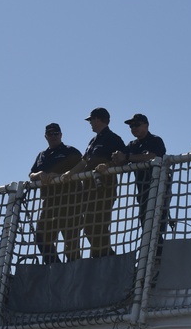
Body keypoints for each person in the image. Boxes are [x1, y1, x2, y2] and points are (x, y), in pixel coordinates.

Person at [63, 108, 127, 259]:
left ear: (98, 120)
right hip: (89, 189)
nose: (90, 123)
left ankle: (107, 258)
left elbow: (123, 159)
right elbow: (84, 161)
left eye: (91, 120)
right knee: (91, 227)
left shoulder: (113, 138)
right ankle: (103, 257)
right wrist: (70, 173)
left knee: (97, 226)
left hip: (104, 187)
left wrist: (108, 166)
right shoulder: (93, 140)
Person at [113, 113, 172, 245]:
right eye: (131, 126)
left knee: (158, 222)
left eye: (136, 125)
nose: (133, 128)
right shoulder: (132, 145)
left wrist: (127, 157)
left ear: (146, 125)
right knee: (145, 222)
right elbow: (122, 159)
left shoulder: (156, 140)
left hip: (159, 187)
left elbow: (152, 156)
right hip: (143, 191)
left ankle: (158, 251)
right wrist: (117, 158)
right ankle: (150, 251)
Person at [28, 123, 83, 263]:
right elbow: (31, 175)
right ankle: (56, 267)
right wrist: (40, 174)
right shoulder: (42, 155)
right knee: (41, 237)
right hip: (49, 203)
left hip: (71, 202)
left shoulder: (70, 151)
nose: (53, 136)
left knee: (71, 244)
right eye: (50, 133)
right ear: (45, 136)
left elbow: (83, 165)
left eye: (56, 133)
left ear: (61, 135)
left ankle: (74, 275)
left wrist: (59, 175)